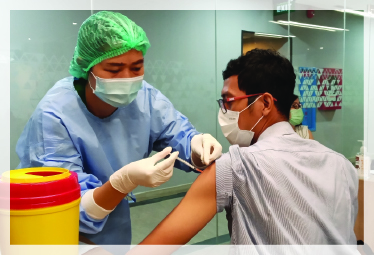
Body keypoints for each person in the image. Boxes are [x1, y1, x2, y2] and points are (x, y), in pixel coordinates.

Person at [15, 11, 222, 245]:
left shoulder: (146, 97)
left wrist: (196, 147)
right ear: (87, 68)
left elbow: (175, 132)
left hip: (113, 233)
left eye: (136, 68)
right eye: (114, 69)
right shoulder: (54, 116)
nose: (127, 79)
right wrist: (122, 182)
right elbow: (68, 210)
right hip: (55, 236)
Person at [128, 49, 358, 250]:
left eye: (228, 101)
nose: (224, 111)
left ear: (265, 104)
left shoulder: (236, 167)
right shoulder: (342, 166)